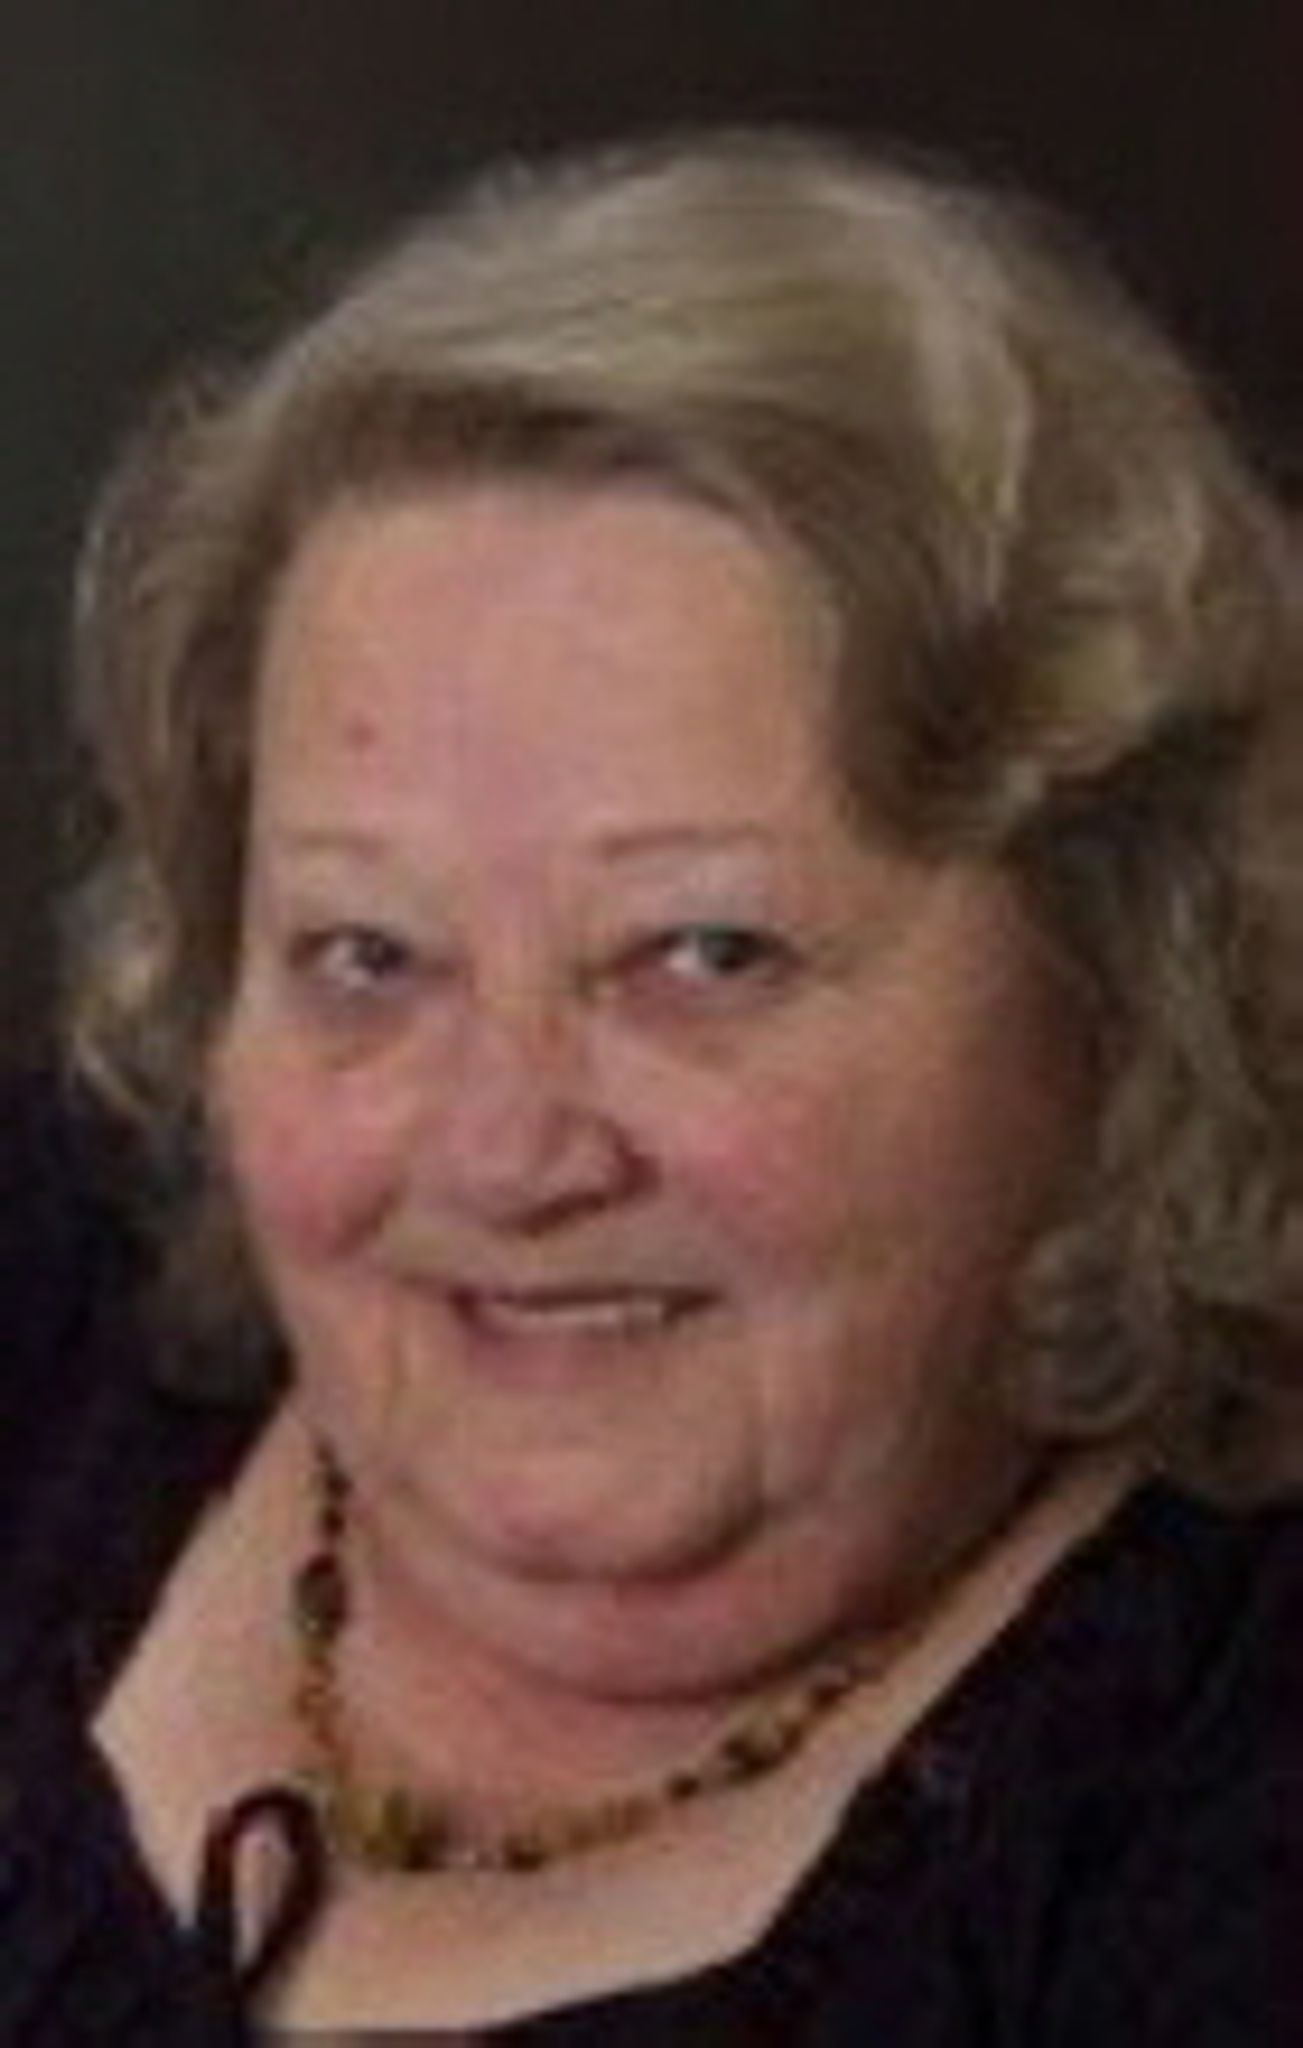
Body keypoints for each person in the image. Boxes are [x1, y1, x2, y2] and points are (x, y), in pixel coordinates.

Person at [6, 127, 1300, 2041]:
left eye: (701, 955)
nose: (504, 1150)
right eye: (367, 956)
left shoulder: (1229, 1800)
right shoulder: (45, 1297)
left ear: (1118, 987)